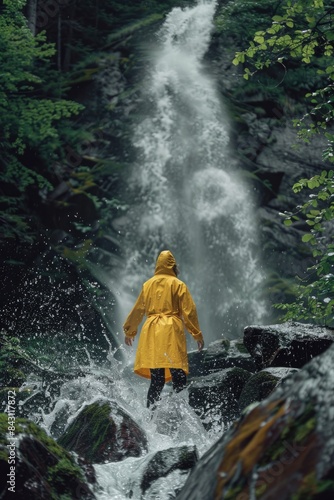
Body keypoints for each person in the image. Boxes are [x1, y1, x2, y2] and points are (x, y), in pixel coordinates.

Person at [123, 250, 204, 409]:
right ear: (173, 266)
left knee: (157, 379)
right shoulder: (178, 284)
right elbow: (189, 311)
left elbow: (138, 309)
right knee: (178, 375)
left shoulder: (148, 284)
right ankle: (181, 414)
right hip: (171, 331)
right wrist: (197, 335)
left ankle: (149, 415)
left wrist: (130, 331)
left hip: (152, 330)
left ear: (157, 265)